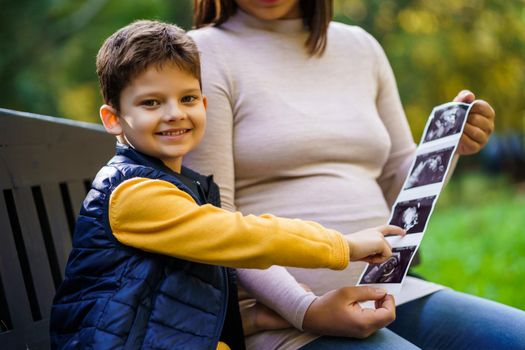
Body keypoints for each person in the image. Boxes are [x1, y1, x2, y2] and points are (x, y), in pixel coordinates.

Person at [49, 19, 407, 350]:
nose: (175, 112)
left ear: (204, 105)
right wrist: (343, 244)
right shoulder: (134, 194)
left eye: (187, 98)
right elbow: (243, 237)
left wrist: (254, 319)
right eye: (151, 103)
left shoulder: (182, 186)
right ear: (113, 119)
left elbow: (169, 297)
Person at [186, 0, 525, 348]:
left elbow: (399, 184)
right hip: (282, 312)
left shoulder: (360, 48)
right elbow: (215, 220)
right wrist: (304, 309)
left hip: (388, 289)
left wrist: (447, 146)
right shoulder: (202, 54)